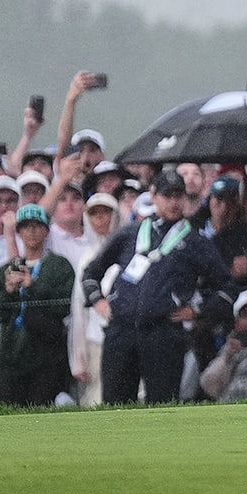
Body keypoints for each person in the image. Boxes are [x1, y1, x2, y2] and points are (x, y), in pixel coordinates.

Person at [81, 169, 231, 406]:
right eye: (167, 195)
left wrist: (199, 310)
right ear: (153, 195)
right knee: (114, 407)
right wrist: (98, 300)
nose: (173, 202)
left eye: (178, 195)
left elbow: (226, 286)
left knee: (162, 407)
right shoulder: (129, 234)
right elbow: (91, 272)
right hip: (121, 330)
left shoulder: (195, 241)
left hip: (164, 333)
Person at [0, 204, 76, 405]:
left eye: (37, 226)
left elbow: (65, 306)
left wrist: (33, 286)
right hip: (11, 356)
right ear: (19, 232)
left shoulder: (59, 266)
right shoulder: (8, 269)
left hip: (47, 358)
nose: (32, 231)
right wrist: (8, 292)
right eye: (26, 227)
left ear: (46, 230)